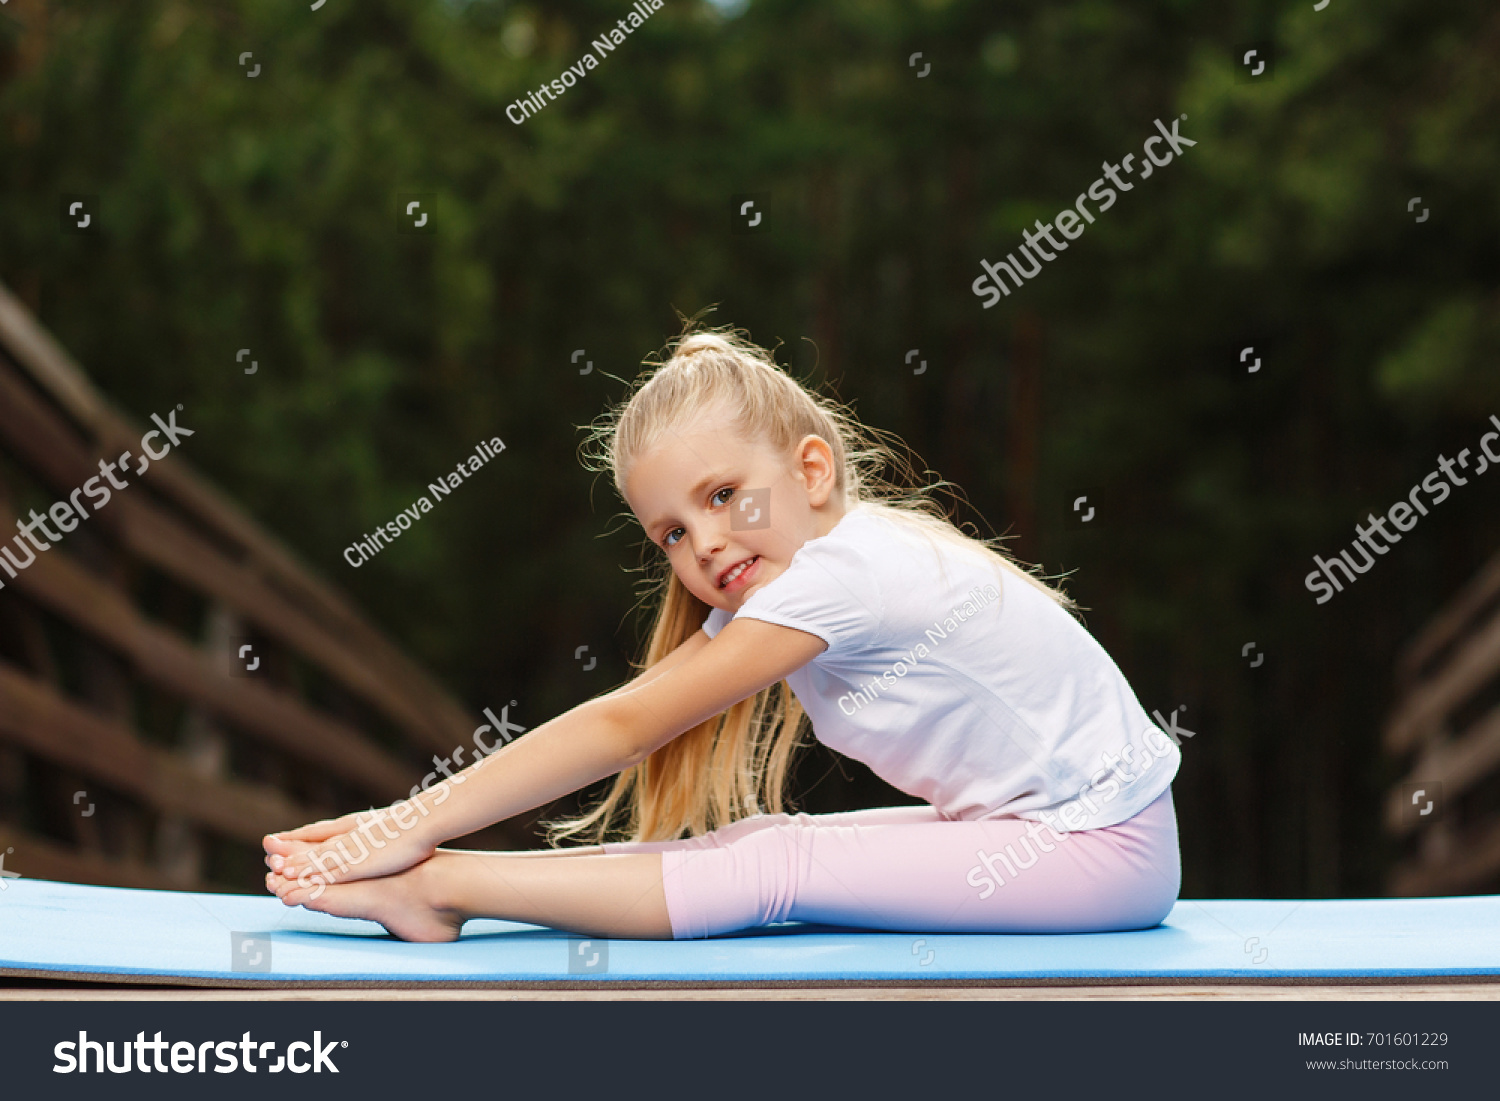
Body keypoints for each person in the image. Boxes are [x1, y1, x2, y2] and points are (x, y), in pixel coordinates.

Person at [263, 327, 1182, 942]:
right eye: (670, 531)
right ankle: (439, 880)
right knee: (762, 842)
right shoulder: (814, 573)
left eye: (721, 496)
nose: (701, 542)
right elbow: (627, 712)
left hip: (1101, 846)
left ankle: (440, 887)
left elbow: (625, 728)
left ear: (812, 469)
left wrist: (405, 823)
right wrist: (408, 827)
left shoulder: (846, 573)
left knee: (779, 864)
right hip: (1050, 832)